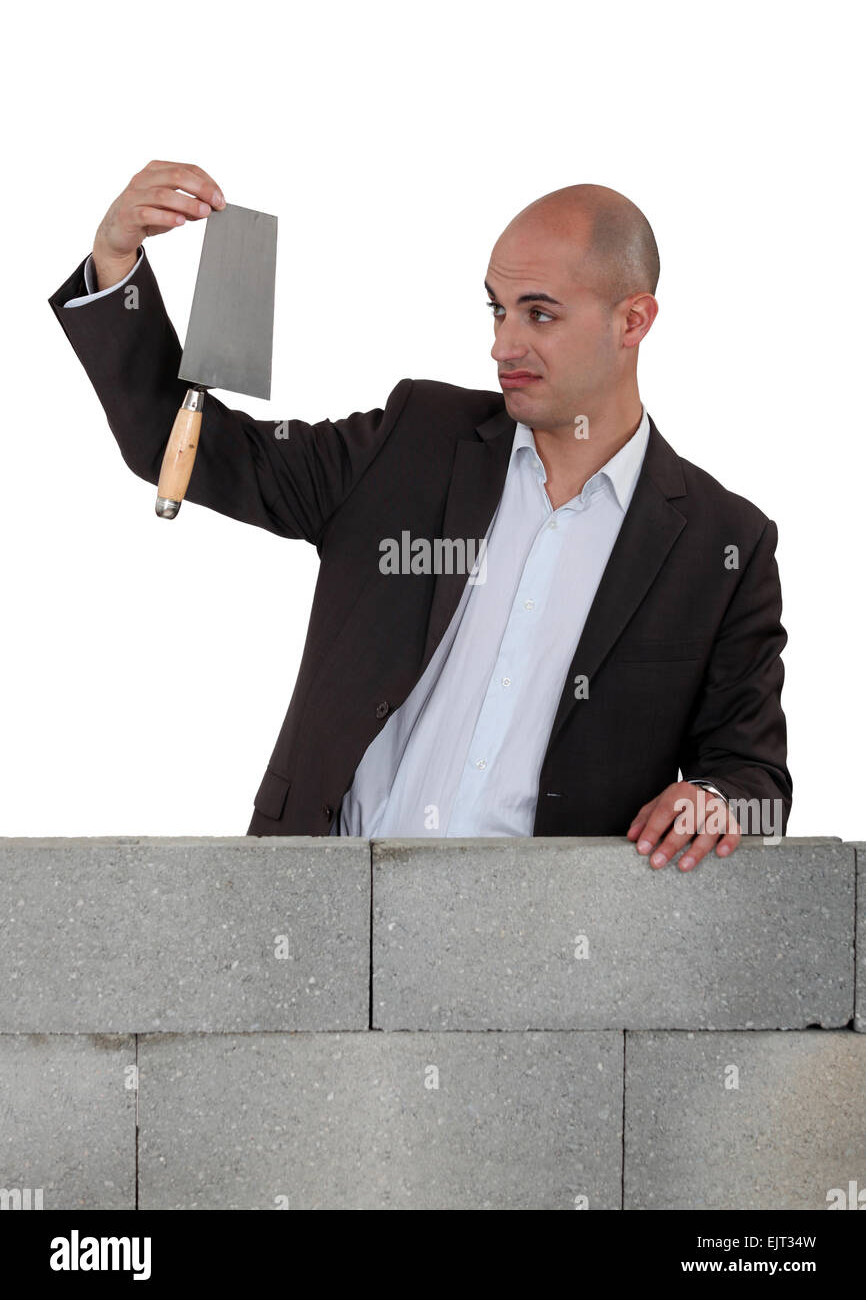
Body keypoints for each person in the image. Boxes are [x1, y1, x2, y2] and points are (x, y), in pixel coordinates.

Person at [48, 161, 792, 871]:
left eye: (540, 314)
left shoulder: (724, 545)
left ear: (633, 320)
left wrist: (717, 798)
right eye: (497, 309)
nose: (503, 344)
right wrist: (118, 262)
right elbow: (186, 448)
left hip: (548, 953)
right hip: (316, 906)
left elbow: (752, 773)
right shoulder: (414, 441)